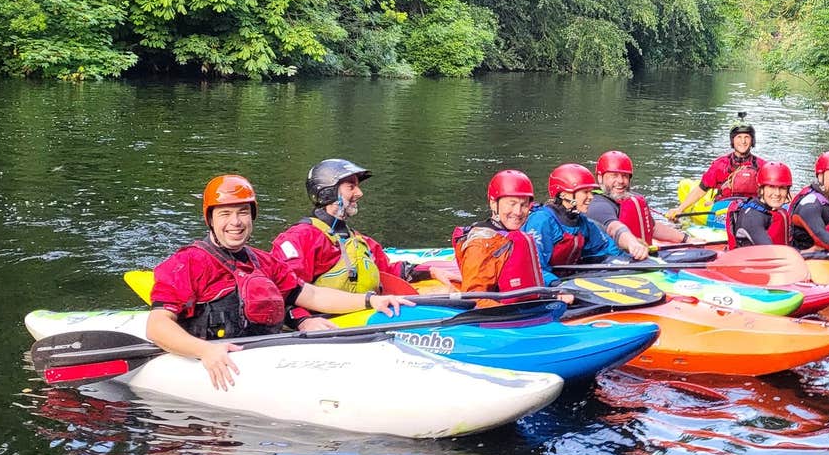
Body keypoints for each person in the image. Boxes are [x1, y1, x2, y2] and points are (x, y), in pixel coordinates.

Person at [147, 174, 411, 391]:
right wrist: (205, 351)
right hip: (215, 356)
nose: (235, 222)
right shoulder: (188, 262)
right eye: (225, 214)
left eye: (243, 213)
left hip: (265, 356)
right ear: (210, 220)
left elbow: (312, 296)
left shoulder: (264, 262)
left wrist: (371, 300)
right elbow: (157, 325)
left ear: (252, 217)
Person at [270, 159, 417, 294]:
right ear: (328, 193)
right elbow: (286, 290)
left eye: (357, 186)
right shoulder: (301, 237)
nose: (360, 193)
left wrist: (425, 271)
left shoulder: (359, 240)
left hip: (364, 308)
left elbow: (388, 270)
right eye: (351, 187)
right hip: (324, 313)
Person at [450, 170, 553, 307]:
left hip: (526, 307)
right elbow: (473, 299)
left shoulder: (509, 235)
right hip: (501, 313)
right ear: (494, 204)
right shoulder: (480, 244)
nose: (518, 212)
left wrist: (554, 295)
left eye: (523, 205)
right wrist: (515, 313)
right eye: (512, 204)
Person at [523, 163, 629, 286]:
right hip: (547, 285)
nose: (591, 197)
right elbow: (534, 267)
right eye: (585, 192)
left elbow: (606, 249)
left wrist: (629, 261)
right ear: (564, 194)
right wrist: (556, 285)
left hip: (567, 280)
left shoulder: (582, 222)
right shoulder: (541, 221)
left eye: (591, 192)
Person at [588, 150, 699, 253]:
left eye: (625, 176)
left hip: (641, 254)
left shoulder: (631, 198)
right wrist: (633, 244)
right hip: (616, 259)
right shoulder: (597, 205)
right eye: (614, 176)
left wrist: (686, 239)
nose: (621, 181)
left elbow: (652, 227)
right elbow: (614, 228)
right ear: (600, 178)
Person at [664, 113, 766, 221]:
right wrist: (680, 209)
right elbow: (701, 189)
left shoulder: (762, 166)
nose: (743, 141)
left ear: (752, 141)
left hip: (752, 209)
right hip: (722, 210)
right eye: (739, 137)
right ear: (732, 140)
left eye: (747, 137)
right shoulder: (720, 164)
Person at [724, 161, 794, 248]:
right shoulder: (753, 218)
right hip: (754, 256)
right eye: (771, 187)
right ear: (761, 189)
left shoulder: (766, 209)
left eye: (782, 188)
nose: (777, 193)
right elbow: (771, 251)